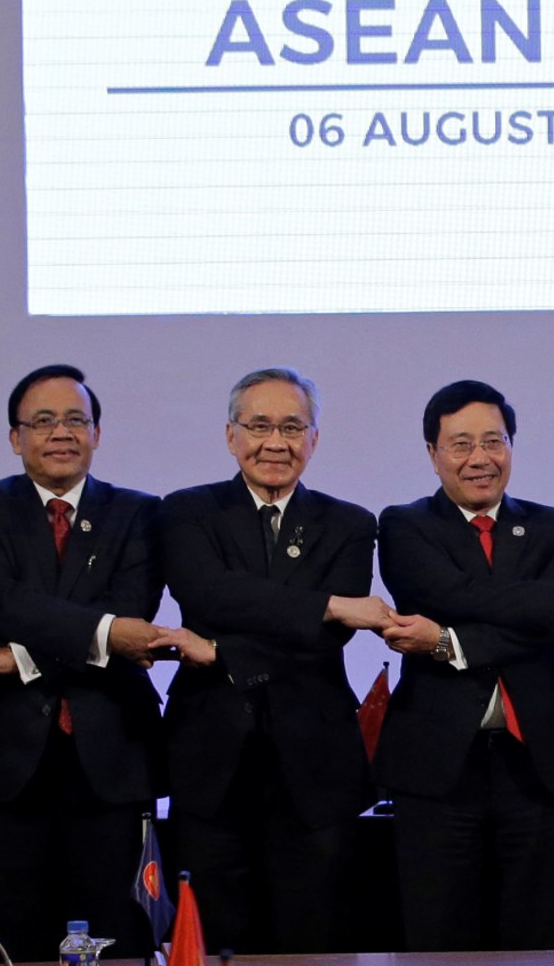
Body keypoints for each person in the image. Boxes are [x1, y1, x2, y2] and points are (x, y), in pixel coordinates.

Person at [374, 379, 554, 950]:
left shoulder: (551, 524)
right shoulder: (403, 524)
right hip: (437, 763)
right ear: (433, 455)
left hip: (535, 760)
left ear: (511, 446)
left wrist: (446, 643)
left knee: (537, 929)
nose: (479, 459)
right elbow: (449, 591)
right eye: (461, 445)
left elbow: (545, 630)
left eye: (494, 441)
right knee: (438, 930)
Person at [0, 364, 170, 962]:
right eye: (43, 421)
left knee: (113, 939)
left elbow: (130, 616)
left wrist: (15, 658)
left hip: (109, 761)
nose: (60, 433)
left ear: (97, 432)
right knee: (2, 939)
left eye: (75, 419)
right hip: (0, 766)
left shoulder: (139, 512)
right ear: (16, 437)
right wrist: (100, 633)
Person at [154, 368, 391, 953]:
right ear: (231, 435)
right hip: (209, 758)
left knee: (314, 936)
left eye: (292, 427)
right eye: (259, 426)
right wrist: (330, 604)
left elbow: (324, 640)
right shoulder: (187, 512)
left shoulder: (351, 523)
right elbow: (207, 593)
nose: (275, 442)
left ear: (314, 438)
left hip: (315, 764)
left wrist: (222, 648)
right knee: (209, 938)